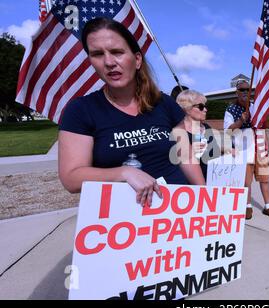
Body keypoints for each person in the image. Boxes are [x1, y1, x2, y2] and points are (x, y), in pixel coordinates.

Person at [58, 18, 205, 207]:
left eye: (117, 52)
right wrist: (124, 173)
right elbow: (71, 178)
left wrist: (204, 198)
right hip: (125, 223)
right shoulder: (80, 110)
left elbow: (186, 156)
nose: (109, 62)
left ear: (136, 60)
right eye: (97, 54)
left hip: (178, 213)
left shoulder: (163, 102)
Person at [224, 80, 269, 220]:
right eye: (242, 90)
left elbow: (262, 126)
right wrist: (240, 121)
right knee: (246, 182)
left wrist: (267, 144)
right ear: (236, 92)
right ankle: (247, 207)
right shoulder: (231, 109)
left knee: (265, 179)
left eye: (248, 90)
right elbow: (227, 131)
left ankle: (268, 206)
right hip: (243, 150)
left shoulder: (256, 107)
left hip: (259, 147)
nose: (245, 92)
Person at [175, 89, 221, 181]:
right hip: (196, 187)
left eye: (205, 106)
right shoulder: (178, 133)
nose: (205, 109)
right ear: (187, 108)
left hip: (216, 180)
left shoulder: (206, 127)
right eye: (200, 106)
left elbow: (213, 150)